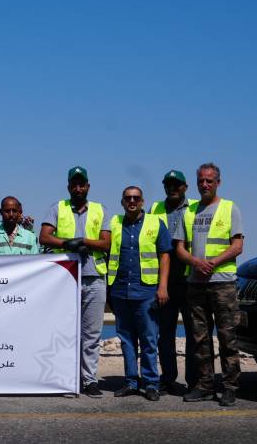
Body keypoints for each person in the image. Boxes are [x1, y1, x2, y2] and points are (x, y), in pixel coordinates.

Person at [174, 163, 245, 407]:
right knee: (200, 339)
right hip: (196, 284)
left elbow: (237, 246)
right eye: (201, 181)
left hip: (222, 284)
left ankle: (229, 387)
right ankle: (205, 385)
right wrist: (196, 262)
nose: (204, 185)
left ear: (218, 183)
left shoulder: (230, 208)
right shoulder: (188, 211)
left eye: (209, 181)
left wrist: (213, 263)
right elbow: (179, 248)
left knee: (227, 337)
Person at [39, 166, 111, 398]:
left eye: (82, 184)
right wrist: (67, 243)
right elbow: (44, 236)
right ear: (69, 186)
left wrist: (84, 241)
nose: (78, 188)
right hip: (66, 278)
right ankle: (67, 379)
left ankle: (89, 380)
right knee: (64, 332)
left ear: (88, 186)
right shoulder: (57, 208)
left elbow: (106, 243)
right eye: (74, 184)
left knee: (91, 334)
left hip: (94, 277)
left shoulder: (100, 209)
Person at [107, 186, 172, 401]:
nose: (132, 201)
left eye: (136, 198)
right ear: (122, 202)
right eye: (128, 198)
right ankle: (131, 382)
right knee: (126, 339)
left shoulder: (155, 223)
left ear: (142, 201)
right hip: (120, 290)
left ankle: (151, 383)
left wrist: (163, 286)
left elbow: (165, 256)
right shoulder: (115, 222)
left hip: (146, 291)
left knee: (149, 339)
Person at [149, 170, 198, 394]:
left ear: (185, 187)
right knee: (165, 334)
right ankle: (168, 378)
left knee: (193, 334)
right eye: (168, 185)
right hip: (165, 281)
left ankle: (194, 381)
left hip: (190, 280)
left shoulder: (196, 207)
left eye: (177, 185)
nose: (172, 188)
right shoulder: (155, 209)